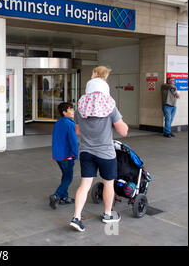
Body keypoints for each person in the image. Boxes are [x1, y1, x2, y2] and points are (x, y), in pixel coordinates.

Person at [69, 66, 129, 232]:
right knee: (108, 184)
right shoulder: (110, 108)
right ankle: (108, 214)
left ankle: (77, 217)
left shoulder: (81, 108)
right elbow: (123, 131)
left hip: (86, 152)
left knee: (84, 185)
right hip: (106, 154)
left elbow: (78, 131)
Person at [49, 102, 79, 209]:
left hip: (58, 155)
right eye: (70, 109)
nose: (72, 111)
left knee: (65, 175)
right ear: (64, 112)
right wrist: (75, 154)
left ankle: (64, 197)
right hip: (67, 155)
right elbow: (73, 141)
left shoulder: (58, 123)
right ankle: (56, 195)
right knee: (69, 177)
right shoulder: (70, 124)